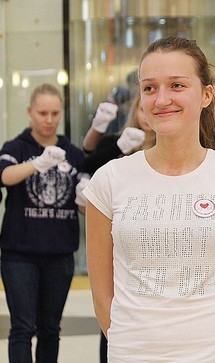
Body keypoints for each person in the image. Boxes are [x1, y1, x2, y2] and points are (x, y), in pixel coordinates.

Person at [83, 35, 215, 362]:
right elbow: (102, 297)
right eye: (150, 88)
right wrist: (132, 345)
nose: (161, 99)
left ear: (206, 94)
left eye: (177, 85)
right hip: (133, 354)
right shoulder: (109, 181)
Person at [0, 83, 86, 362]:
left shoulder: (72, 153)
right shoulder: (15, 147)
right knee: (23, 328)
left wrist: (87, 196)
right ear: (30, 113)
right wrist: (38, 164)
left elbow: (84, 205)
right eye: (42, 113)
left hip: (60, 254)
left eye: (55, 113)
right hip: (19, 254)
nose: (49, 120)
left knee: (51, 329)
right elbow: (5, 176)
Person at [81, 95, 154, 363]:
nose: (150, 115)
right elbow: (86, 161)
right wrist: (117, 147)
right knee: (113, 304)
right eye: (144, 109)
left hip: (153, 239)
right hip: (118, 237)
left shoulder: (171, 148)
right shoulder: (116, 142)